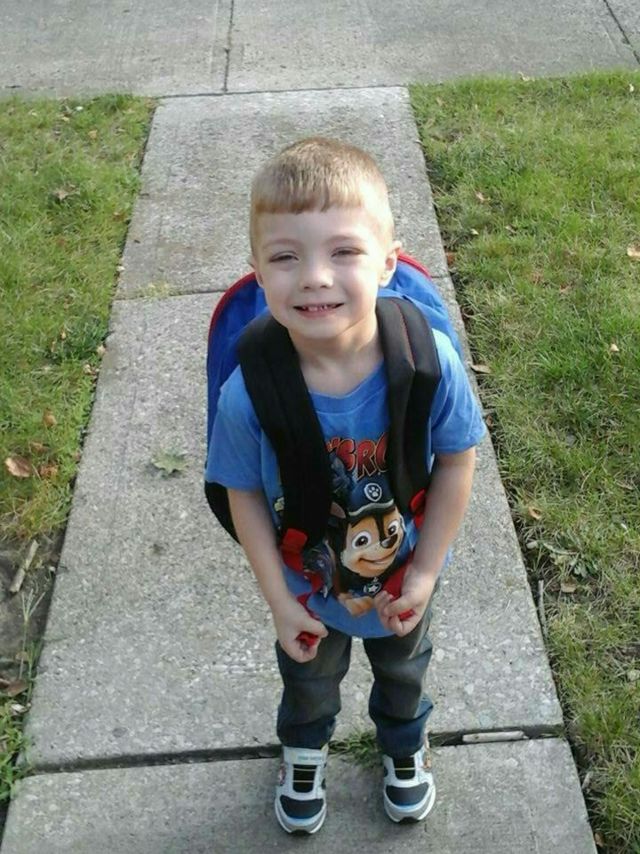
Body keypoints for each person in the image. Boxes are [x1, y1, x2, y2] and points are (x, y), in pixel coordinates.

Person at [207, 137, 486, 834]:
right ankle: (304, 750)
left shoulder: (427, 363)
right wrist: (280, 601)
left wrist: (425, 572)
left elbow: (458, 460)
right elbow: (242, 494)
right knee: (307, 679)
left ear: (388, 262)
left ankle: (404, 744)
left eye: (344, 251)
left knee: (405, 670)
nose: (314, 277)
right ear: (258, 272)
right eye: (285, 257)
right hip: (308, 584)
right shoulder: (251, 391)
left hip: (403, 575)